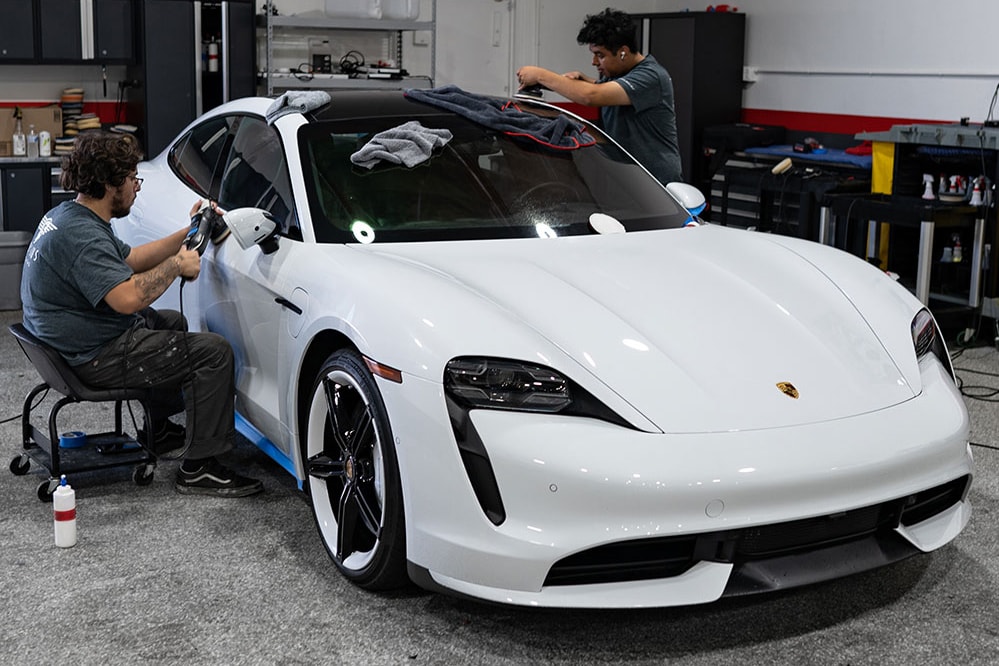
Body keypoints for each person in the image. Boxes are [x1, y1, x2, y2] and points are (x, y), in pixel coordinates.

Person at [19, 131, 263, 498]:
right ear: (109, 183)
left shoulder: (71, 215)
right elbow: (128, 299)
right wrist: (177, 265)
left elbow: (131, 259)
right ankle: (200, 468)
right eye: (132, 180)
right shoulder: (82, 236)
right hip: (90, 357)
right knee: (213, 352)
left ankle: (160, 431)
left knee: (171, 323)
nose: (136, 187)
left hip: (66, 343)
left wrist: (192, 230)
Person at [516, 7, 683, 185]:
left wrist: (541, 75)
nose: (594, 62)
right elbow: (600, 89)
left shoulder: (651, 76)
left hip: (658, 184)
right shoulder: (616, 77)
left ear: (623, 52)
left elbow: (591, 96)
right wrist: (578, 81)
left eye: (600, 55)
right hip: (631, 181)